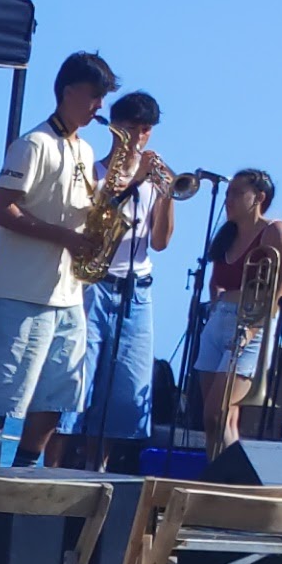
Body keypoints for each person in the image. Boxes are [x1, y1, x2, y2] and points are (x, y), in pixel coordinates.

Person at [0, 49, 116, 468]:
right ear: (69, 91)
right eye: (94, 95)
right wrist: (63, 237)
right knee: (0, 401)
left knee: (57, 397)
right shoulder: (33, 144)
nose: (99, 106)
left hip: (68, 294)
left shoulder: (85, 150)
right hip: (20, 291)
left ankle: (21, 475)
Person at [67, 90, 181, 468]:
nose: (139, 137)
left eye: (146, 130)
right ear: (116, 128)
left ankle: (99, 470)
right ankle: (61, 465)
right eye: (132, 128)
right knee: (79, 381)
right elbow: (93, 226)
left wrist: (166, 195)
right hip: (95, 285)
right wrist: (135, 181)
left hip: (137, 290)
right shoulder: (95, 173)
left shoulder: (153, 181)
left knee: (124, 391)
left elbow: (160, 242)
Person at [190, 170, 282, 454]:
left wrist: (253, 326)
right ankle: (220, 472)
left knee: (217, 412)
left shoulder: (274, 231)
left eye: (237, 193)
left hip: (251, 323)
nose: (229, 199)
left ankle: (233, 474)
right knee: (216, 420)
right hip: (219, 320)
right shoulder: (227, 234)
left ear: (259, 197)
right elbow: (216, 280)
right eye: (228, 193)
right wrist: (215, 306)